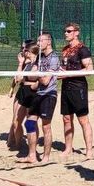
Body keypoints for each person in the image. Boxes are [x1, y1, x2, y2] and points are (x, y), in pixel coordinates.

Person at [21, 32, 60, 163]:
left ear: (48, 42)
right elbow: (32, 77)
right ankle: (32, 155)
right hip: (38, 94)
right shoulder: (39, 57)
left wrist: (36, 77)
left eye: (40, 41)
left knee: (46, 126)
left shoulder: (53, 58)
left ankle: (46, 157)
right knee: (30, 122)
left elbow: (45, 81)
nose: (38, 43)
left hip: (49, 94)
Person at [59, 23, 94, 161]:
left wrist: (68, 74)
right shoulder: (65, 49)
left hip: (78, 87)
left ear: (76, 33)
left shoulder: (83, 50)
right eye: (65, 31)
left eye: (69, 31)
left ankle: (89, 150)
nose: (66, 33)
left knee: (83, 119)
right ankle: (68, 148)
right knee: (66, 119)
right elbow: (63, 68)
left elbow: (90, 70)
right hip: (65, 87)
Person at [7, 43, 39, 150]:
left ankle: (32, 148)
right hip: (23, 92)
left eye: (24, 50)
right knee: (16, 121)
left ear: (29, 52)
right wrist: (20, 64)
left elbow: (42, 79)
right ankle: (17, 144)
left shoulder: (38, 63)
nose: (22, 52)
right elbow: (17, 78)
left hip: (33, 94)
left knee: (31, 122)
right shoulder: (26, 64)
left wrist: (34, 84)